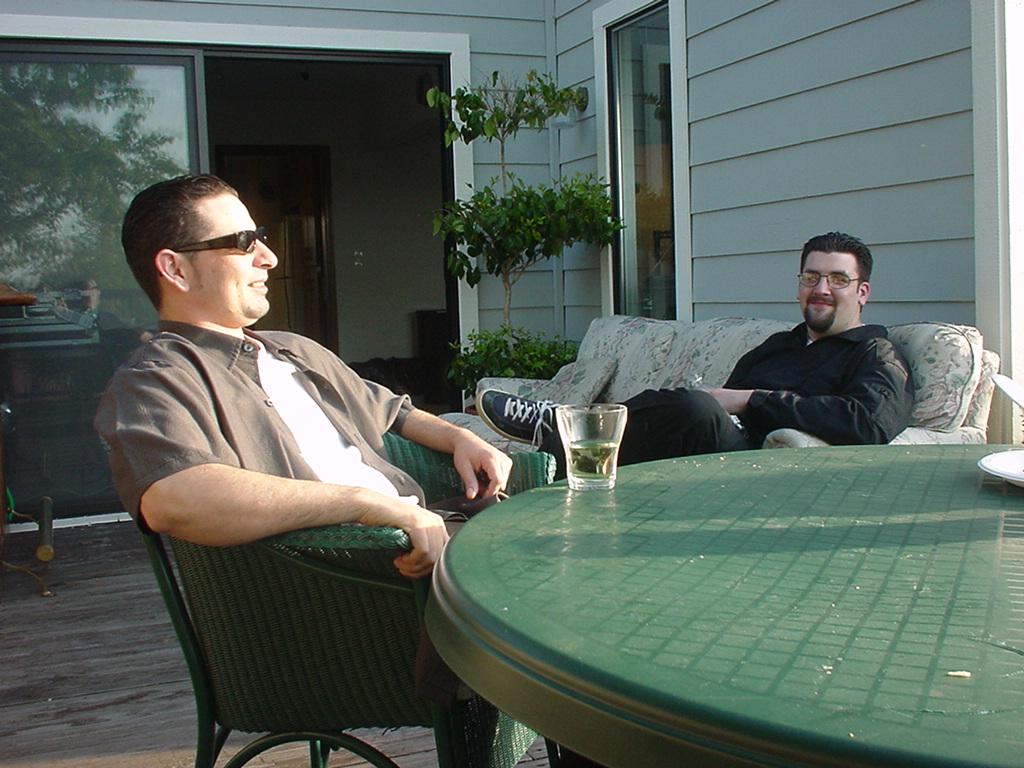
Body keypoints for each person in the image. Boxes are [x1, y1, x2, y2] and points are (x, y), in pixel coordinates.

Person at [95, 174, 513, 580]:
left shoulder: (293, 348)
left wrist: (461, 438)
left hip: (433, 532)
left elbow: (393, 412)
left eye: (260, 236)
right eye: (243, 242)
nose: (269, 257)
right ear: (175, 269)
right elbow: (177, 497)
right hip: (364, 575)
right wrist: (364, 503)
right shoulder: (156, 379)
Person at [478, 231, 914, 475]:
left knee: (696, 408)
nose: (821, 289)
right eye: (811, 277)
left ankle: (561, 424)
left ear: (862, 292)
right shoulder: (780, 344)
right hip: (713, 446)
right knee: (685, 409)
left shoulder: (876, 353)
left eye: (837, 280)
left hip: (756, 463)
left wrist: (751, 400)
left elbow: (869, 424)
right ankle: (533, 470)